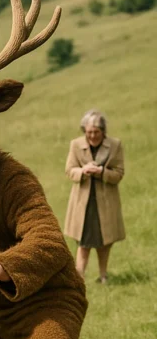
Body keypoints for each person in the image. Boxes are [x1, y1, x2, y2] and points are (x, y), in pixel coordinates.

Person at [64, 109, 125, 283]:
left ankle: (103, 276)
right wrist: (82, 171)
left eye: (96, 132)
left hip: (106, 203)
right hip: (83, 203)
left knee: (105, 242)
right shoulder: (76, 144)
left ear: (103, 131)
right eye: (89, 132)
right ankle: (79, 278)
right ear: (85, 131)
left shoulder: (115, 145)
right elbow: (69, 170)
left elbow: (119, 174)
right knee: (83, 243)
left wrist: (101, 172)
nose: (92, 136)